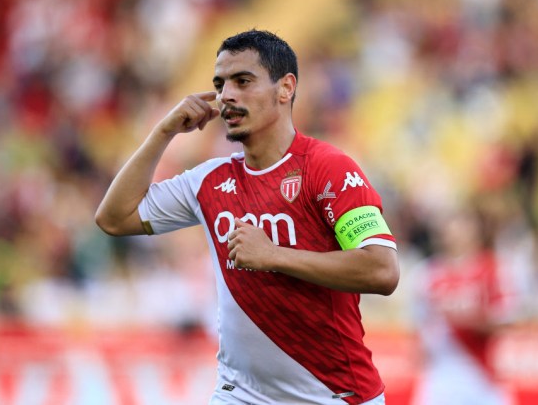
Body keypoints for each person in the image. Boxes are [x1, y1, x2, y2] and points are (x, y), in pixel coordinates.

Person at [95, 29, 399, 404]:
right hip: (240, 393)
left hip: (334, 395)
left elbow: (383, 270)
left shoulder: (329, 169)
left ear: (285, 88)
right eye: (220, 85)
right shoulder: (208, 180)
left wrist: (273, 255)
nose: (227, 96)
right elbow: (114, 218)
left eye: (243, 81)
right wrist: (164, 131)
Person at [410, 207, 516, 405]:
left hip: (480, 373)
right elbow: (419, 324)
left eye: (463, 226)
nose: (455, 233)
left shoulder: (492, 269)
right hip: (440, 374)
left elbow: (505, 320)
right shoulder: (428, 273)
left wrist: (466, 319)